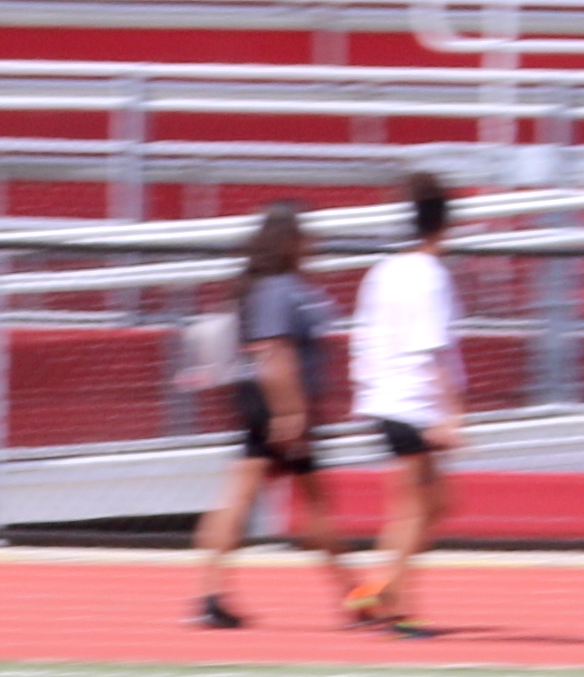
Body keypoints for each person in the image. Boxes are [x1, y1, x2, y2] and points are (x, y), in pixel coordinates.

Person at [190, 205, 354, 632]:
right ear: (288, 243)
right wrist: (291, 411)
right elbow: (273, 351)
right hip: (280, 400)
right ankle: (353, 595)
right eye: (304, 239)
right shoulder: (281, 289)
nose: (311, 246)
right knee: (314, 502)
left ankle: (209, 593)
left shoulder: (264, 287)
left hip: (260, 399)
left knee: (240, 497)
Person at [346, 168, 465, 637]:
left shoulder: (384, 271)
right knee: (419, 507)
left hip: (387, 399)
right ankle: (395, 603)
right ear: (445, 227)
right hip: (414, 402)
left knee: (428, 504)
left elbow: (364, 337)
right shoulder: (430, 276)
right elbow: (431, 349)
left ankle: (379, 590)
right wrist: (450, 413)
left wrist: (367, 392)